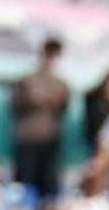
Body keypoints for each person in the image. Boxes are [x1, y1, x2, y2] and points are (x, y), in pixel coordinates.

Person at [6, 41, 70, 200]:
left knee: (47, 185)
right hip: (27, 138)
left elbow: (63, 109)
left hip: (49, 139)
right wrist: (31, 102)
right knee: (23, 184)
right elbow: (14, 105)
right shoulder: (26, 81)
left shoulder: (61, 84)